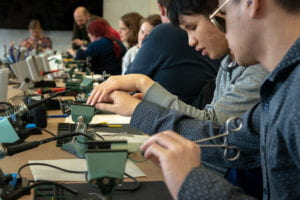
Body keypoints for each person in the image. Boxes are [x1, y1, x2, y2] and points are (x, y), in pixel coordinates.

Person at [97, 0, 300, 199]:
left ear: (250, 3)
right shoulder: (282, 84)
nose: (223, 27)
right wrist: (142, 110)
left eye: (222, 13)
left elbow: (218, 131)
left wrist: (191, 182)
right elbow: (225, 138)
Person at [124, 0, 221, 105]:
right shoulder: (225, 64)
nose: (191, 42)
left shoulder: (164, 33)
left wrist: (142, 84)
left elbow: (127, 83)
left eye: (193, 27)